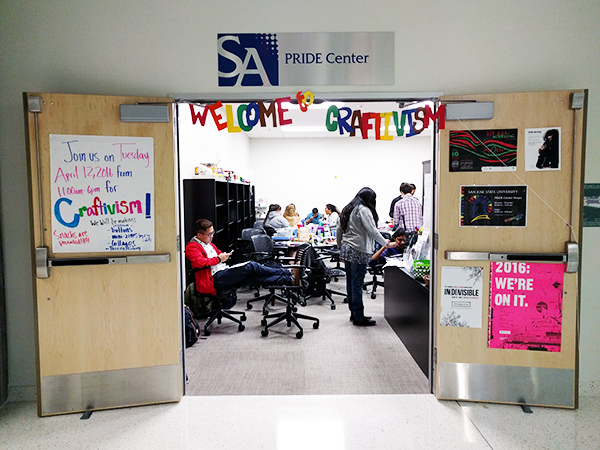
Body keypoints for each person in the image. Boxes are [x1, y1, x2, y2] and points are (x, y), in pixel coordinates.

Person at [185, 218, 294, 296]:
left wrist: (224, 255)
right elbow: (198, 262)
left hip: (223, 270)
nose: (212, 236)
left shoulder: (208, 243)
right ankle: (285, 271)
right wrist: (219, 259)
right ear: (199, 235)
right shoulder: (192, 247)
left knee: (255, 278)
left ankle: (289, 279)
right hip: (214, 278)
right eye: (209, 234)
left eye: (212, 233)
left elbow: (218, 253)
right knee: (251, 266)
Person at [337, 187, 388, 326]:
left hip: (347, 249)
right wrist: (386, 243)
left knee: (350, 283)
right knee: (357, 284)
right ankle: (359, 317)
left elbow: (339, 229)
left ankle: (354, 313)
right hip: (358, 249)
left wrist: (339, 245)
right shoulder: (363, 210)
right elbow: (372, 230)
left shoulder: (348, 209)